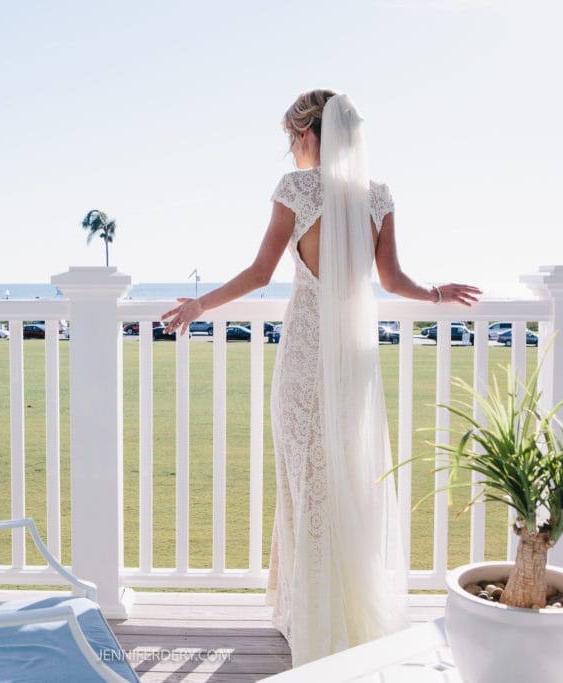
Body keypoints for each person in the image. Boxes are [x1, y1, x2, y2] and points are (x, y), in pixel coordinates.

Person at [162, 89, 481, 666]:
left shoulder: (297, 191)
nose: (292, 150)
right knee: (344, 482)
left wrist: (198, 306)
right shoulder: (377, 196)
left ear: (309, 135)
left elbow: (260, 273)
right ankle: (335, 610)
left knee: (304, 481)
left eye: (292, 138)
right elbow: (392, 279)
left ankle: (308, 616)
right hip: (353, 359)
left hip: (306, 357)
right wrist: (437, 293)